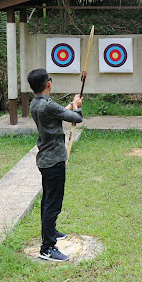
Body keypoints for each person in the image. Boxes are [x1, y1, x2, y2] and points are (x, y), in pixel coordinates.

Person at [27, 68, 83, 262]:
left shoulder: (35, 103)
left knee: (47, 201)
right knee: (53, 204)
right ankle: (47, 248)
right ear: (48, 84)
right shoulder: (48, 106)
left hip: (45, 161)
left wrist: (70, 104)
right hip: (54, 161)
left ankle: (51, 231)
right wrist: (77, 107)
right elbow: (77, 118)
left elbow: (57, 113)